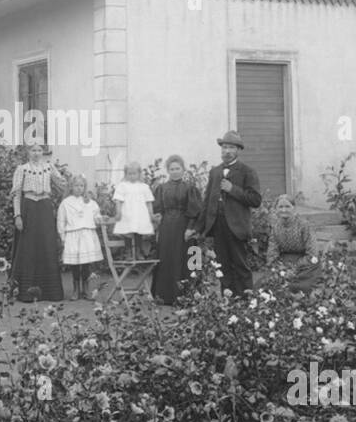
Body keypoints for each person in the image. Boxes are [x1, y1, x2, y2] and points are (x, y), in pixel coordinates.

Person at [193, 130, 262, 297]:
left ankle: (246, 302)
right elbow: (207, 201)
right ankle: (228, 302)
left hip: (237, 226)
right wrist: (199, 227)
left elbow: (255, 200)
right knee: (221, 266)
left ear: (238, 150)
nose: (227, 151)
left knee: (240, 265)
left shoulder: (247, 171)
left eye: (231, 147)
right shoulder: (215, 172)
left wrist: (233, 190)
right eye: (224, 147)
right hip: (218, 225)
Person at [10, 139, 67, 302]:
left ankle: (50, 292)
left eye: (39, 150)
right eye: (33, 150)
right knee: (28, 247)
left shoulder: (49, 167)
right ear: (28, 152)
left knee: (47, 245)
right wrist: (17, 215)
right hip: (28, 207)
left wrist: (64, 193)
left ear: (43, 152)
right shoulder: (22, 169)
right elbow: (16, 194)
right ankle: (25, 291)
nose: (36, 153)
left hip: (45, 207)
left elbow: (62, 185)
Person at [150, 155, 202, 305]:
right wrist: (156, 222)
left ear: (183, 169)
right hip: (166, 228)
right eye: (171, 169)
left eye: (177, 168)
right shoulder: (161, 188)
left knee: (186, 259)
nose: (174, 172)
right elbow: (157, 209)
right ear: (168, 170)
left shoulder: (190, 188)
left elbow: (196, 210)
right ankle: (164, 296)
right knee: (166, 259)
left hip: (184, 226)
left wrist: (191, 228)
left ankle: (187, 295)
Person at [58, 174, 104, 299]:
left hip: (87, 235)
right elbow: (61, 221)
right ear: (71, 187)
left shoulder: (91, 203)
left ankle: (85, 289)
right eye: (76, 185)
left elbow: (96, 215)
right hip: (73, 235)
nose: (79, 188)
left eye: (82, 186)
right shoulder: (66, 203)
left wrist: (100, 219)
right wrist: (62, 237)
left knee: (86, 264)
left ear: (85, 187)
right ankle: (75, 289)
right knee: (75, 264)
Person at [265, 194, 321, 292]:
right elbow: (272, 253)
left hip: (305, 263)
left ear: (294, 208)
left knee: (304, 286)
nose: (284, 210)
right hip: (285, 261)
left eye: (287, 206)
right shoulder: (275, 227)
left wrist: (294, 268)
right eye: (280, 207)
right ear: (276, 209)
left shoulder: (304, 225)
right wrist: (282, 268)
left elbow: (313, 253)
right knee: (268, 283)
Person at [112, 161, 155, 258]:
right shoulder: (122, 186)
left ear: (139, 174)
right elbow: (118, 200)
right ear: (126, 174)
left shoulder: (144, 187)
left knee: (138, 232)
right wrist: (118, 212)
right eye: (129, 174)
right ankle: (128, 252)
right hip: (128, 213)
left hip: (140, 214)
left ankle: (138, 251)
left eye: (134, 173)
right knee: (128, 232)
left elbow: (149, 202)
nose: (132, 176)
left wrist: (151, 215)